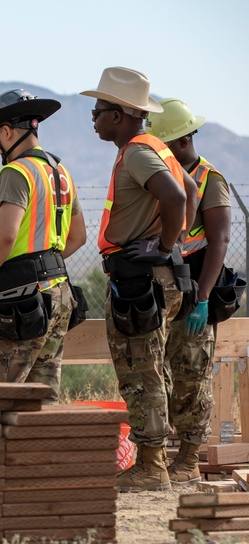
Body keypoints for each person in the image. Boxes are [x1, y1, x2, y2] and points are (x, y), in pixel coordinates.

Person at [81, 66, 199, 492]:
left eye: (97, 111)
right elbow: (189, 188)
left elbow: (178, 195)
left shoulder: (136, 150)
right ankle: (156, 460)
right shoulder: (150, 147)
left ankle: (152, 468)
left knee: (140, 369)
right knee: (152, 368)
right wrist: (172, 240)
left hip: (142, 279)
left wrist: (165, 244)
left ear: (120, 114)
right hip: (154, 277)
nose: (93, 119)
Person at [0, 90, 87, 399]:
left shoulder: (16, 172)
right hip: (60, 294)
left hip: (22, 298)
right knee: (42, 395)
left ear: (7, 131)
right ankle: (42, 447)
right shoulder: (60, 173)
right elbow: (77, 237)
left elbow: (6, 236)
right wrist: (45, 267)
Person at [146, 99, 232, 485]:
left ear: (180, 141)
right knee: (161, 371)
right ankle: (164, 453)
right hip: (166, 286)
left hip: (197, 286)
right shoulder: (164, 175)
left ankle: (189, 458)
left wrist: (202, 301)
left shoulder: (210, 180)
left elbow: (220, 241)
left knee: (191, 375)